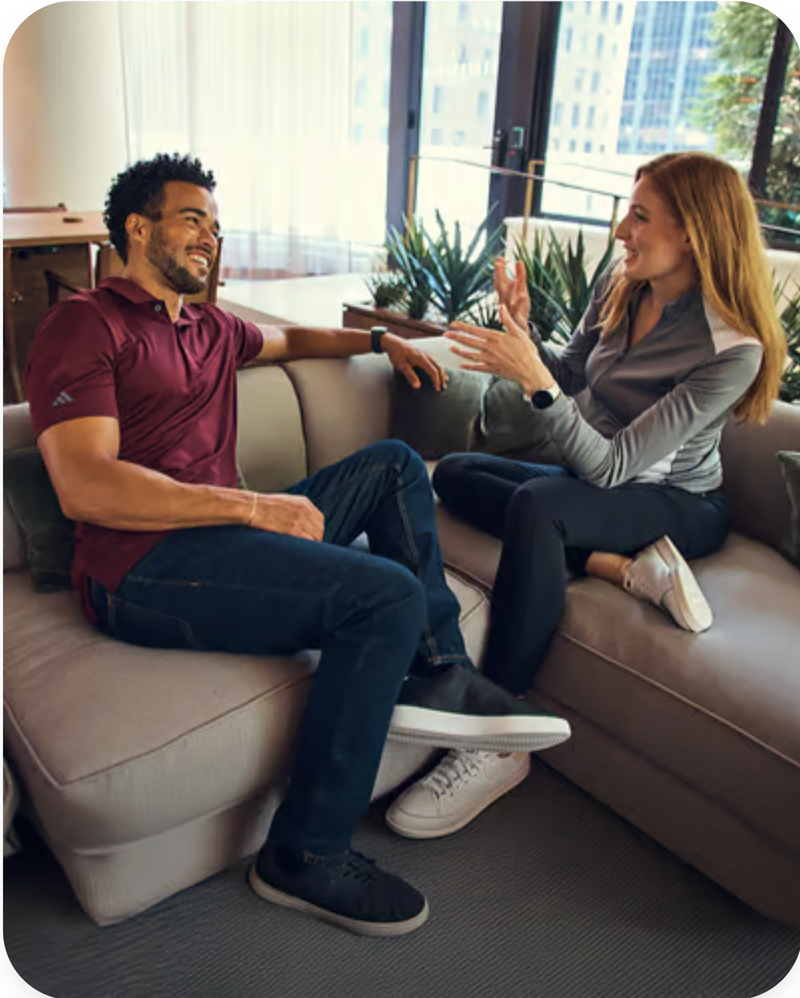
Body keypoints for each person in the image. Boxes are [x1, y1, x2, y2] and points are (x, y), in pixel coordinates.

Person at [23, 153, 571, 938]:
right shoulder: (86, 323)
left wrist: (381, 337)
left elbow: (290, 342)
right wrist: (252, 506)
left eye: (216, 222)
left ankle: (439, 672)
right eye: (191, 219)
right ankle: (303, 855)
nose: (211, 235)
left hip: (221, 537)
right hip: (140, 570)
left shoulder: (211, 328)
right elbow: (86, 486)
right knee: (384, 597)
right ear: (136, 228)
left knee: (391, 466)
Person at [385, 151, 787, 843]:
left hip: (676, 505)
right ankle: (621, 566)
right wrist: (522, 332)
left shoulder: (732, 351)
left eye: (639, 215)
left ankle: (498, 734)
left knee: (540, 508)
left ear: (694, 232)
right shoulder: (622, 288)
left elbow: (614, 466)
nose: (620, 230)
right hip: (596, 493)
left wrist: (535, 379)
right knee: (453, 472)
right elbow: (571, 375)